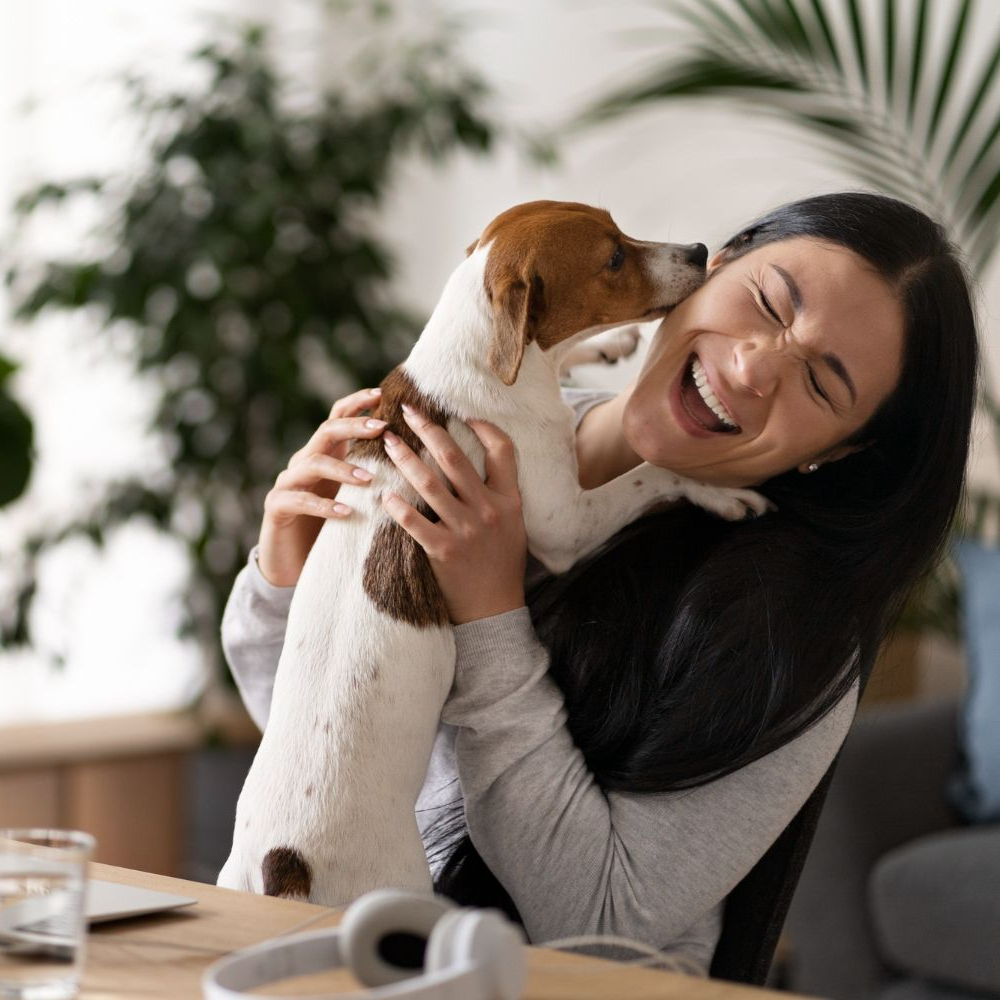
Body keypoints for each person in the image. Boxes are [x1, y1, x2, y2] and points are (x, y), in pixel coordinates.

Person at [221, 192, 978, 978]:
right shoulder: (460, 439)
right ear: (715, 265)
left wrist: (491, 620)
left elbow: (608, 922)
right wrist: (287, 566)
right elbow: (323, 744)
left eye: (822, 384)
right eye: (765, 301)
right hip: (348, 947)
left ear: (839, 452)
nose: (753, 366)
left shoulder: (786, 629)